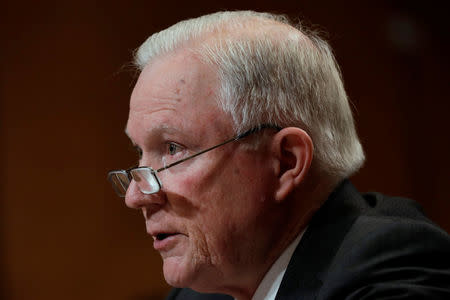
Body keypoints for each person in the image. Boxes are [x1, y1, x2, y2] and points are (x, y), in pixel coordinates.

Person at [107, 11, 450, 300]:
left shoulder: (393, 269)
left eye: (172, 149)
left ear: (286, 162)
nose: (136, 196)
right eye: (140, 154)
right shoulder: (199, 292)